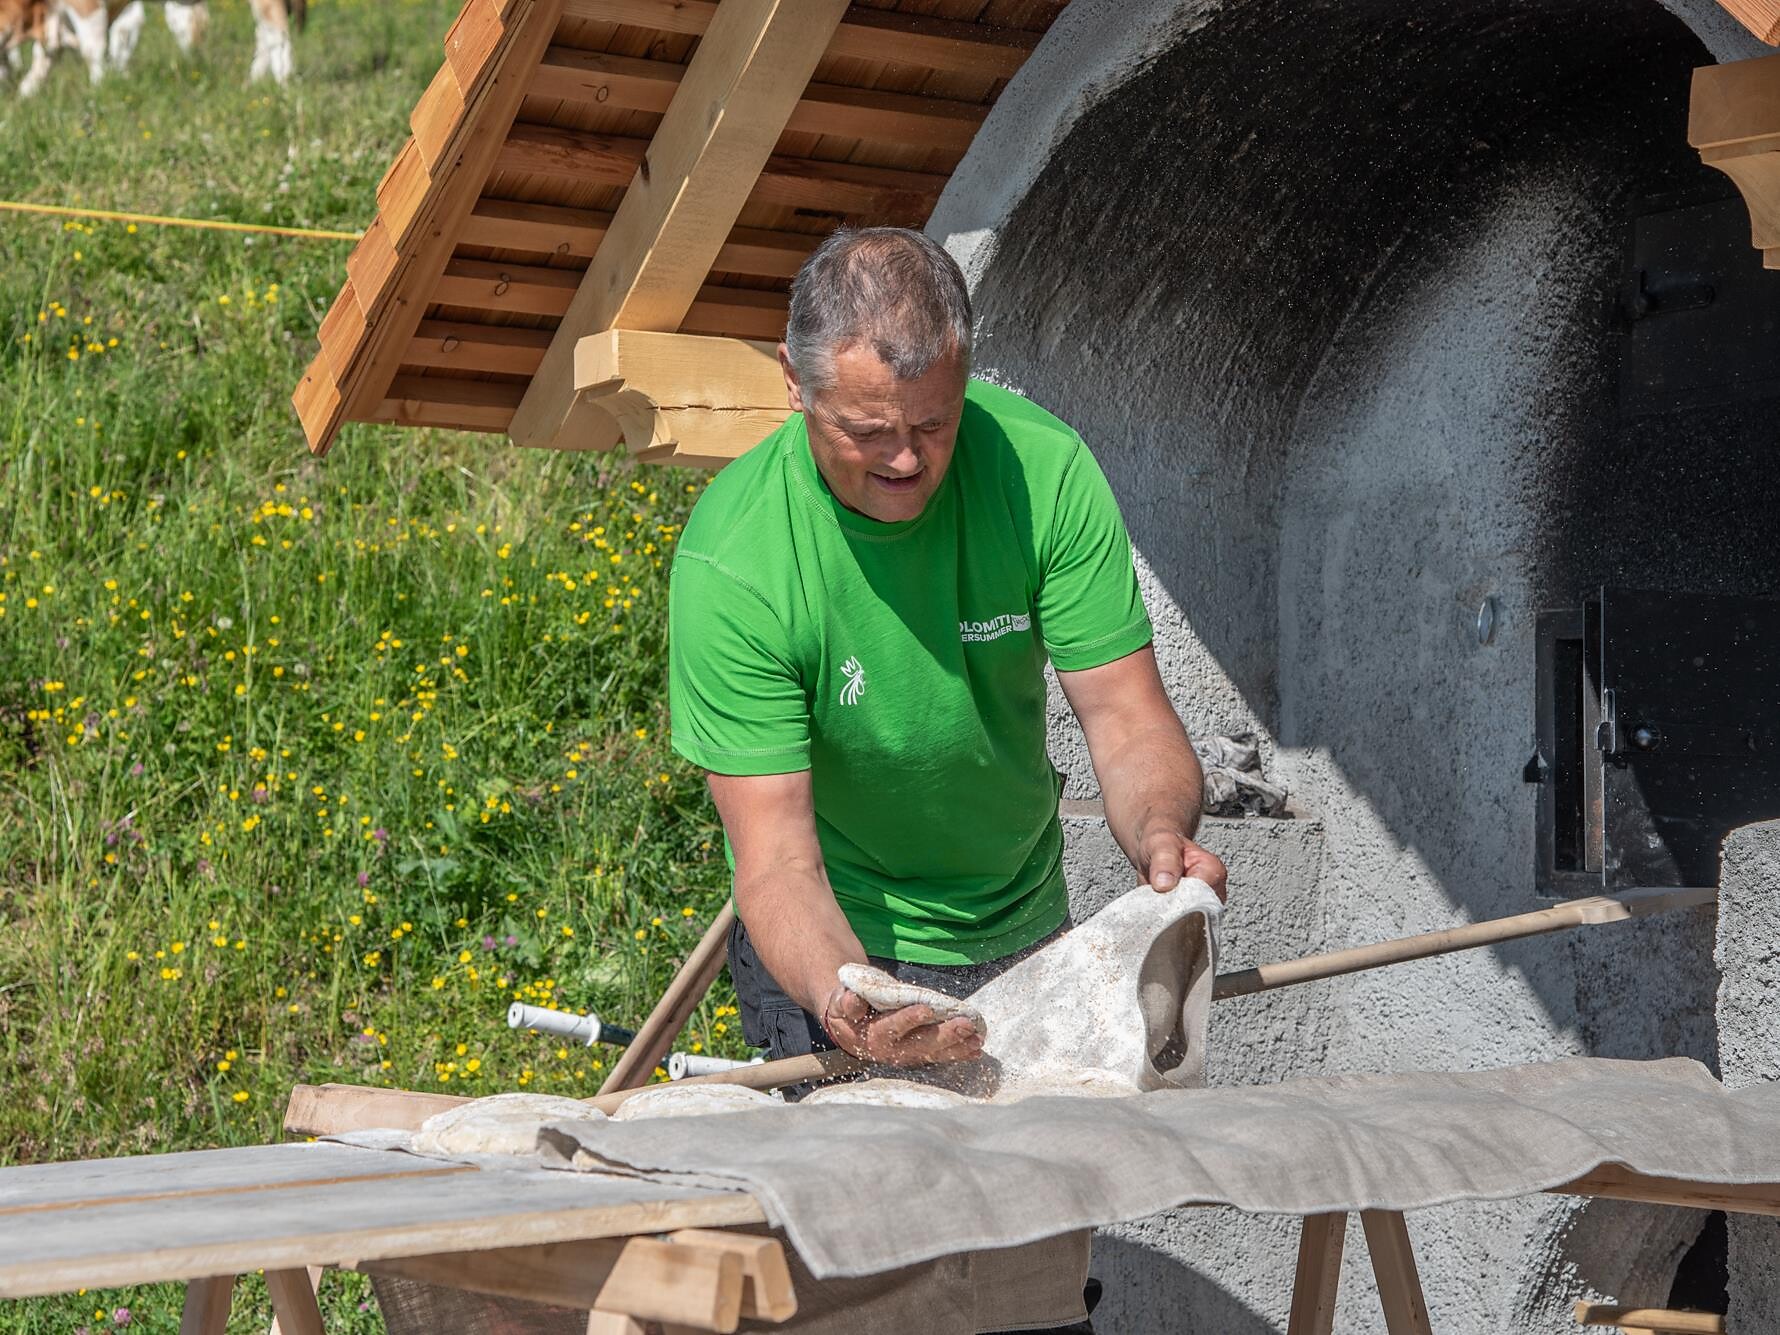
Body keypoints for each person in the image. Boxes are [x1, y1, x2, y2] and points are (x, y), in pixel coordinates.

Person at [669, 226, 1227, 1073]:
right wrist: (852, 1004)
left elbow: (1126, 718)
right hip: (834, 942)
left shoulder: (1042, 473)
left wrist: (1160, 832)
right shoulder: (736, 560)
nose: (905, 458)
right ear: (793, 381)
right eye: (868, 430)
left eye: (935, 423)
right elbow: (778, 858)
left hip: (1023, 921)